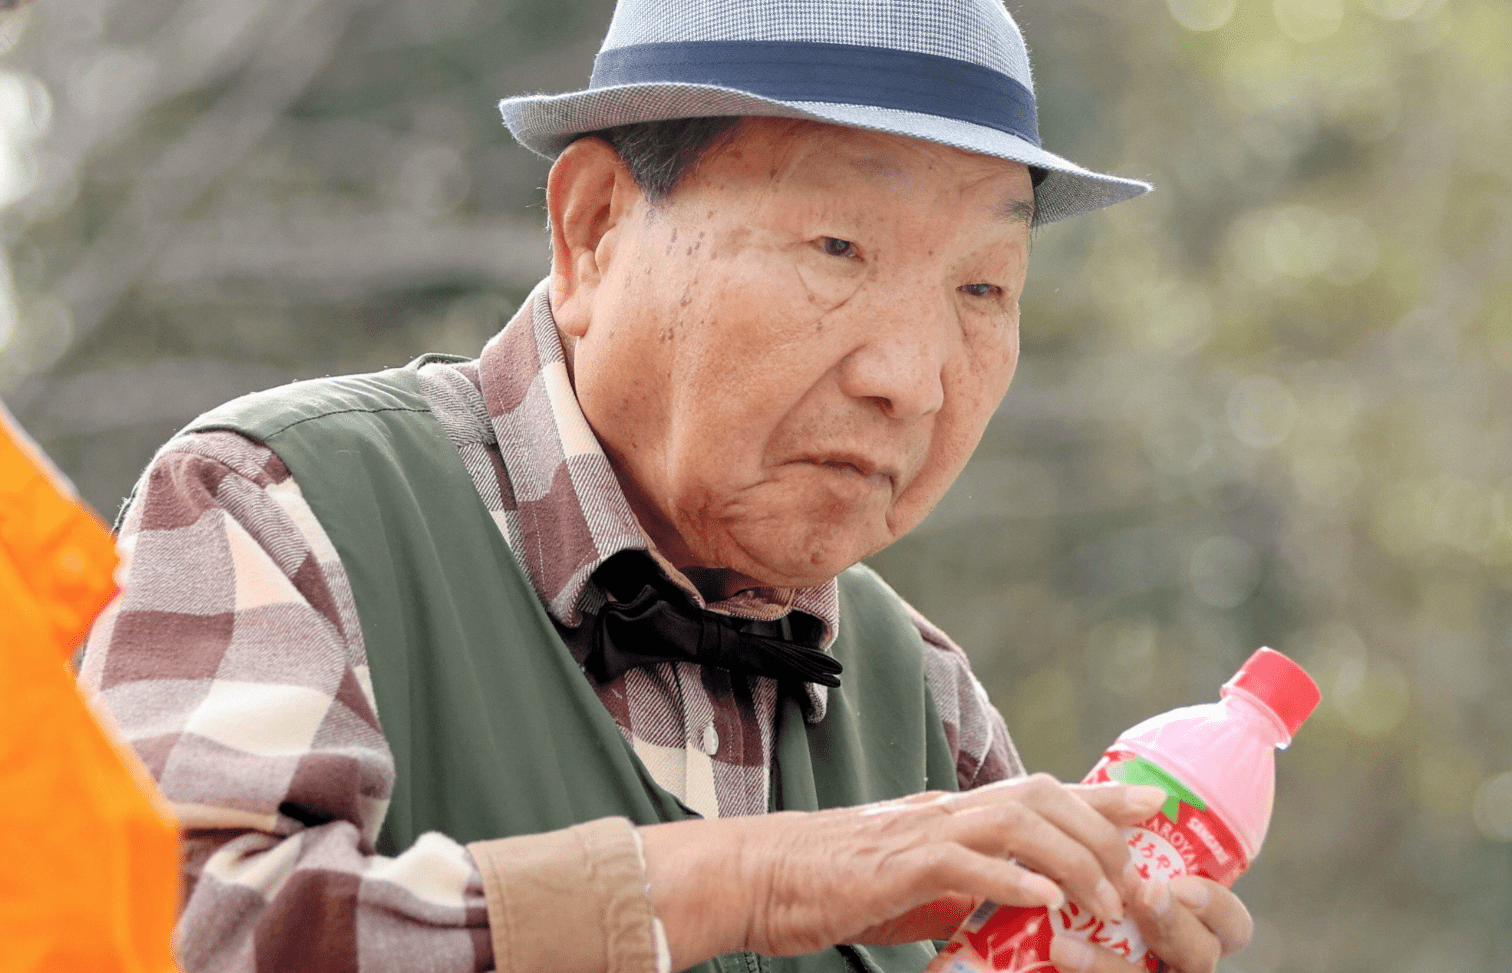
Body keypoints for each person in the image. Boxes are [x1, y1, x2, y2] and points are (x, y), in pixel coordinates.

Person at [79, 1, 1255, 972]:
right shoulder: (284, 510)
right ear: (592, 231)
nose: (913, 379)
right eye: (837, 247)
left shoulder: (926, 704)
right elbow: (142, 937)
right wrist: (763, 879)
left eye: (984, 291)